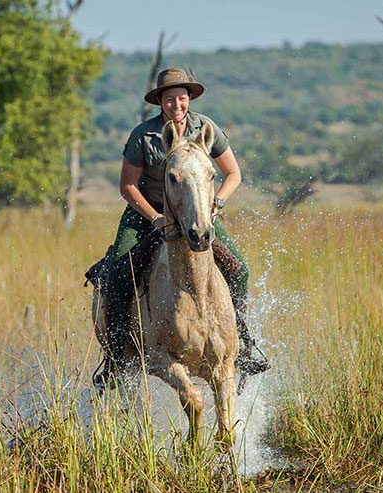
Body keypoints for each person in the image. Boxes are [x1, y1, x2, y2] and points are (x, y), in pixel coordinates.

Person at [91, 68, 269, 391]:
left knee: (239, 271)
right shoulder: (143, 137)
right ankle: (115, 358)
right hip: (145, 213)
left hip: (197, 213)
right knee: (118, 273)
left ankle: (243, 342)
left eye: (182, 98)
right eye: (170, 99)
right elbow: (127, 186)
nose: (177, 105)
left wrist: (217, 203)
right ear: (160, 101)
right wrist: (155, 217)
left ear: (190, 99)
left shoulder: (206, 128)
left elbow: (233, 174)